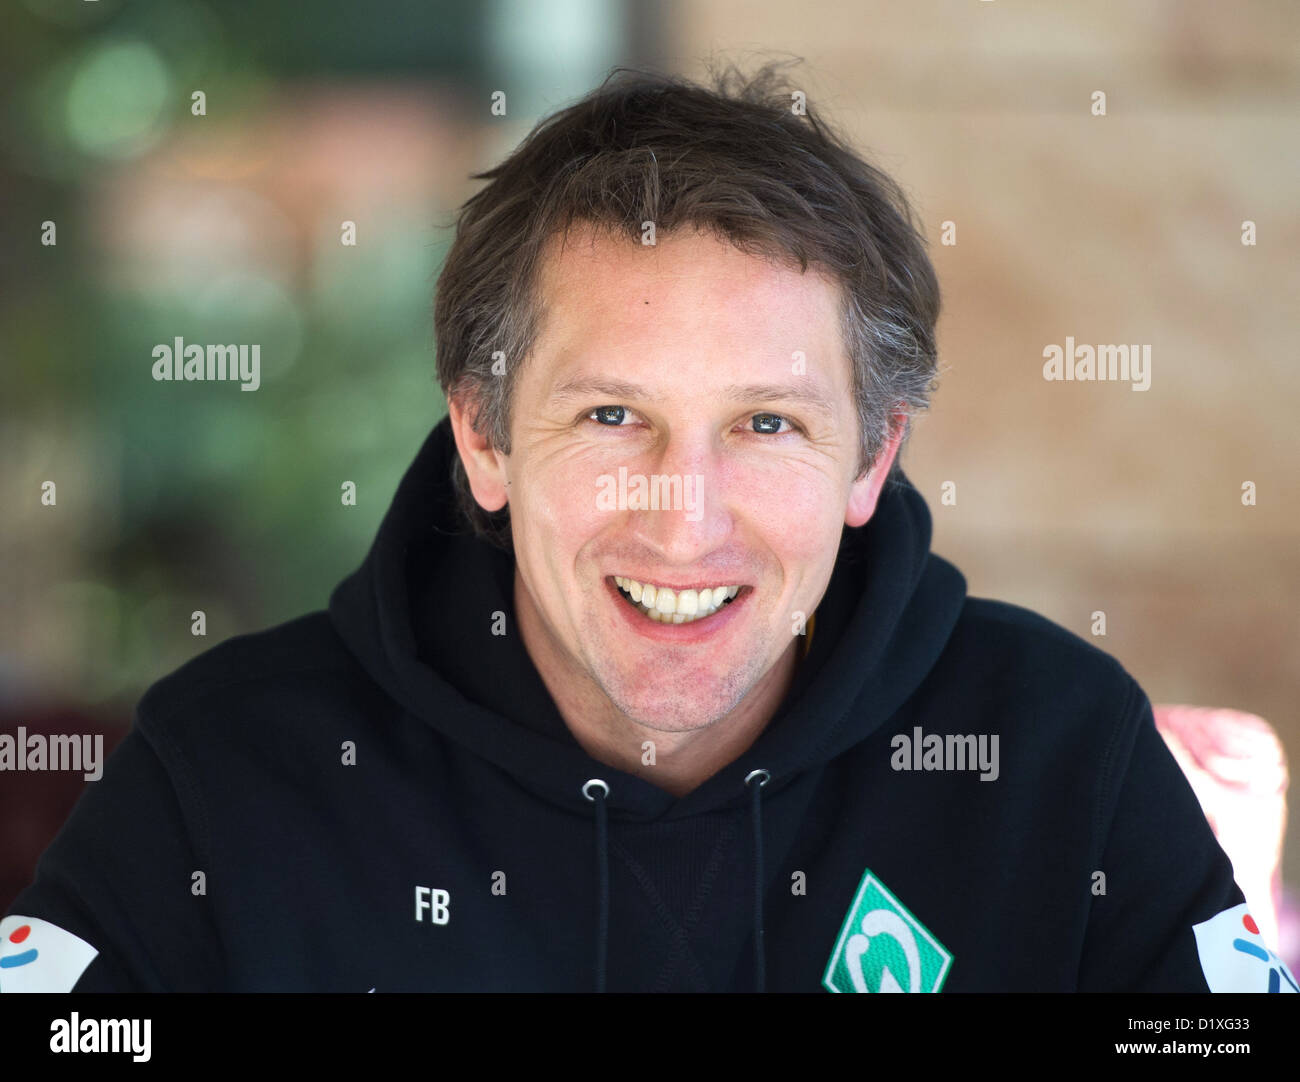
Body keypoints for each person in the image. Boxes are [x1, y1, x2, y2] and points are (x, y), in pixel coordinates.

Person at [3, 63, 1292, 994]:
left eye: (768, 425)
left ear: (874, 455)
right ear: (485, 438)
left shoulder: (1059, 749)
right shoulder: (229, 769)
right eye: (615, 415)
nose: (687, 520)